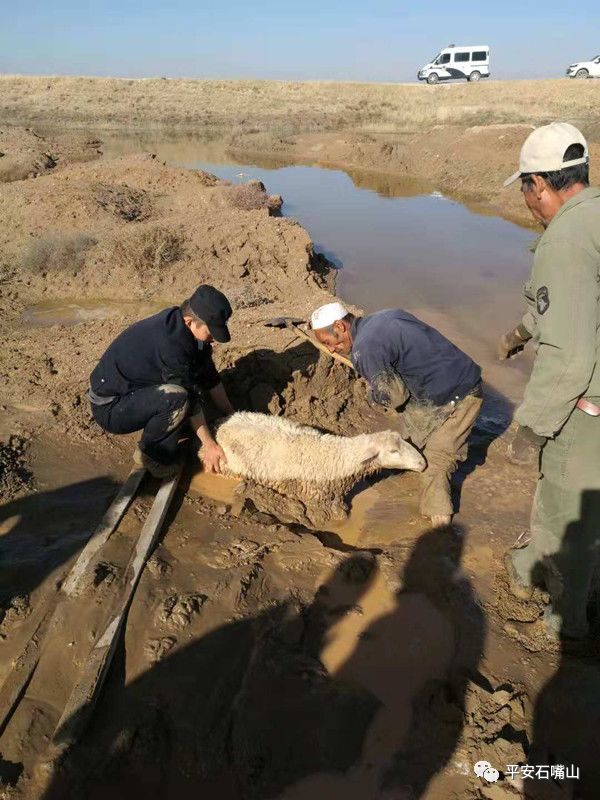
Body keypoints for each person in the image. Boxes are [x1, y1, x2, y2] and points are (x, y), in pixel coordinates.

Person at [499, 122, 600, 640]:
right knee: (562, 501)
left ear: (541, 184)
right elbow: (574, 305)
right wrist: (522, 330)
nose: (526, 200)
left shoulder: (564, 241)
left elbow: (569, 356)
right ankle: (524, 569)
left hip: (588, 411)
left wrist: (530, 429)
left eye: (524, 187)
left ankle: (567, 628)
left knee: (571, 521)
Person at [311, 302, 482, 527]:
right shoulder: (383, 317)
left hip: (458, 396)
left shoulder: (366, 347)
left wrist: (374, 394)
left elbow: (395, 396)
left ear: (340, 327)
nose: (331, 350)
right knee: (411, 438)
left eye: (328, 343)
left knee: (436, 461)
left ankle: (440, 532)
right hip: (459, 374)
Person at [88, 284, 234, 479]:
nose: (214, 340)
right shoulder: (172, 344)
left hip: (134, 391)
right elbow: (187, 397)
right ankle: (152, 456)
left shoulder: (184, 327)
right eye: (210, 333)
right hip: (111, 408)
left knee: (190, 388)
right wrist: (210, 446)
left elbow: (210, 377)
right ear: (190, 321)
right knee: (179, 399)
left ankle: (163, 429)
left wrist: (231, 413)